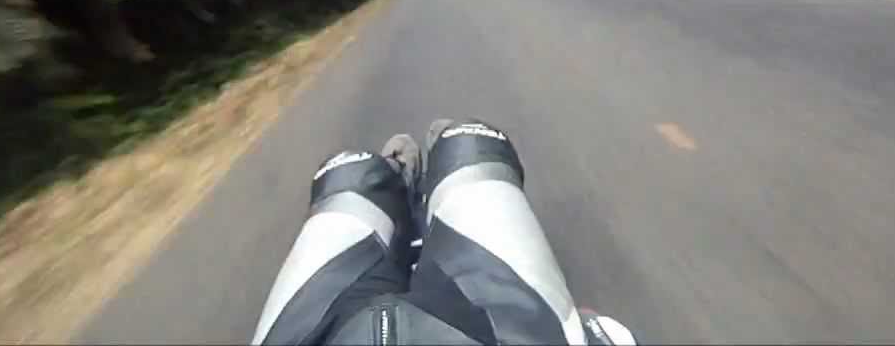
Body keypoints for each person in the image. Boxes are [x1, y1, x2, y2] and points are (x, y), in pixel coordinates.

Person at [250, 119, 637, 345]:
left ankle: (393, 178)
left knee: (344, 175)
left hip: (315, 335)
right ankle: (432, 162)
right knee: (473, 146)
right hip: (502, 330)